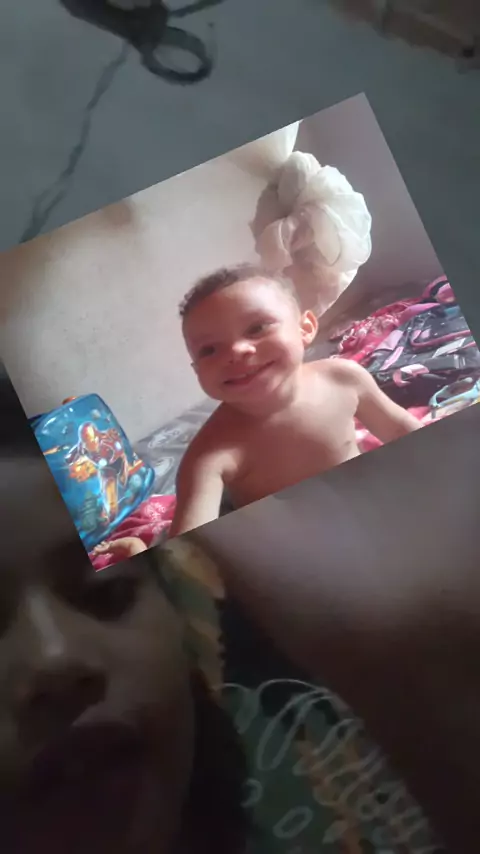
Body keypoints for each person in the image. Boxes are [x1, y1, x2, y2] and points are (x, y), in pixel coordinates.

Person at [170, 263, 420, 537]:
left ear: (305, 328)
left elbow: (399, 428)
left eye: (256, 328)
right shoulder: (208, 457)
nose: (236, 351)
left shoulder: (344, 378)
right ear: (196, 370)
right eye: (209, 350)